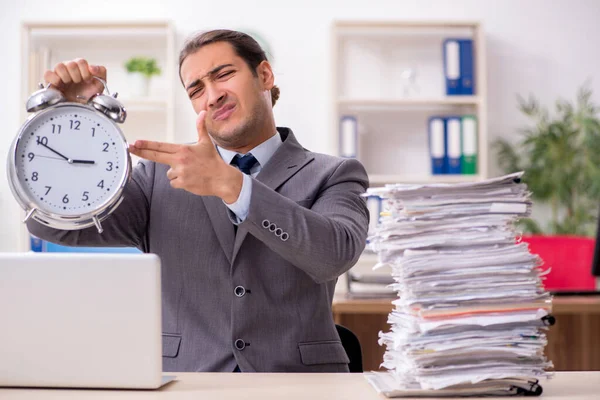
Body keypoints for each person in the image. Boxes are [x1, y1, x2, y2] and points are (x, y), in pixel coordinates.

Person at [27, 29, 369, 373]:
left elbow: (334, 254)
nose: (213, 95)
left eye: (224, 75)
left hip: (300, 384)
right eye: (197, 89)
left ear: (264, 75)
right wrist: (67, 123)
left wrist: (233, 186)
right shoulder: (156, 178)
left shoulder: (334, 173)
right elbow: (59, 227)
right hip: (188, 382)